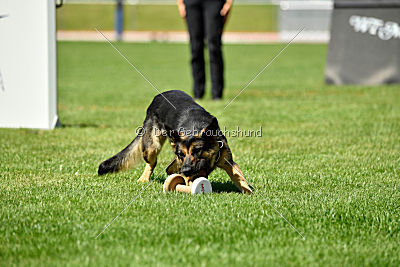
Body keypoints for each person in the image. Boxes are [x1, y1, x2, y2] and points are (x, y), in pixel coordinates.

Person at [178, 0, 232, 100]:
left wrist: (229, 2)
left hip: (214, 2)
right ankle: (198, 93)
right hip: (192, 3)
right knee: (195, 47)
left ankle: (216, 94)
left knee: (214, 46)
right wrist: (180, 3)